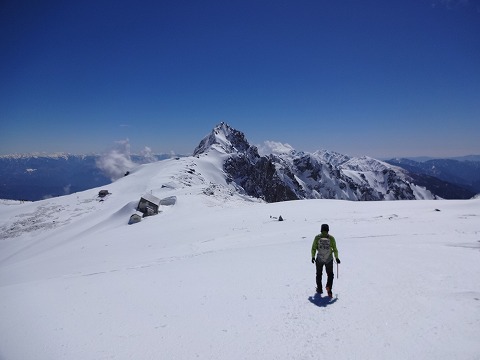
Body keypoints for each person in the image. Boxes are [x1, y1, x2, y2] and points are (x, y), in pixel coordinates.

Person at [311, 224, 340, 297]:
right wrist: (336, 258)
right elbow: (335, 249)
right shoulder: (331, 238)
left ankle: (319, 289)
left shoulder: (317, 237)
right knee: (330, 274)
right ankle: (329, 288)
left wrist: (313, 257)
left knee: (319, 274)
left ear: (321, 229)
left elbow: (313, 248)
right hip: (329, 259)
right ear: (328, 230)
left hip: (319, 259)